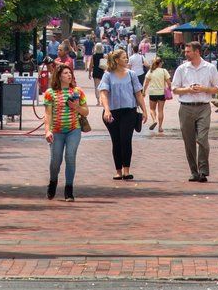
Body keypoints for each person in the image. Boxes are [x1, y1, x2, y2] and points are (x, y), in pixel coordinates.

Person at [172, 41, 218, 182]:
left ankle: (203, 170)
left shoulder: (210, 68)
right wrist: (188, 89)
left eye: (188, 51)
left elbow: (217, 87)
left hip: (203, 107)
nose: (185, 53)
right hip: (186, 107)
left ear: (197, 52)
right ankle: (194, 172)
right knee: (189, 141)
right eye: (185, 51)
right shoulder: (182, 69)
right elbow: (175, 89)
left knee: (202, 139)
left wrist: (204, 89)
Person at [97, 48, 148, 180]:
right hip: (112, 112)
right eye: (124, 57)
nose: (127, 59)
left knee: (126, 139)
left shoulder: (131, 74)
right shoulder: (108, 75)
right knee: (116, 141)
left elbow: (138, 93)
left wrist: (144, 110)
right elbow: (103, 93)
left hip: (129, 111)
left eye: (127, 56)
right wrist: (107, 110)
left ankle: (126, 170)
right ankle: (118, 171)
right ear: (117, 60)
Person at [43, 65, 89, 201]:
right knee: (55, 160)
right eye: (65, 73)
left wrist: (77, 107)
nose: (69, 75)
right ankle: (53, 182)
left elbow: (86, 111)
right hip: (56, 131)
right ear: (59, 76)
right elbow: (48, 114)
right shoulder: (50, 93)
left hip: (73, 129)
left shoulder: (77, 92)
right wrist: (47, 131)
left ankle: (69, 189)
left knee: (70, 156)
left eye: (70, 73)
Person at [143, 57, 172, 133]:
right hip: (161, 93)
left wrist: (143, 92)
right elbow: (169, 83)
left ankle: (154, 120)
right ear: (160, 63)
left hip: (152, 93)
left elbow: (146, 83)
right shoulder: (164, 71)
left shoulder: (151, 71)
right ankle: (160, 127)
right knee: (160, 110)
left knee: (152, 109)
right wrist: (170, 89)